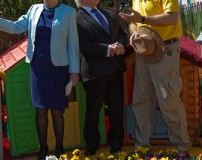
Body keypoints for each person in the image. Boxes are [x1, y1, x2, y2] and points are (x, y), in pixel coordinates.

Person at [0, 0, 80, 159]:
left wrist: (74, 72)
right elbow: (16, 27)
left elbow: (73, 44)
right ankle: (43, 149)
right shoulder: (34, 9)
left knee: (56, 110)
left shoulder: (69, 12)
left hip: (58, 68)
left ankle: (59, 149)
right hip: (38, 68)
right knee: (40, 110)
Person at [118, 0, 192, 154]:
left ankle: (182, 148)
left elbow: (173, 18)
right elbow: (133, 22)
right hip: (143, 51)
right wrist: (134, 32)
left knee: (169, 100)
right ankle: (142, 145)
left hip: (165, 50)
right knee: (141, 100)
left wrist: (142, 20)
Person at [74, 0, 127, 157]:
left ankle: (116, 145)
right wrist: (107, 50)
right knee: (93, 111)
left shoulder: (108, 13)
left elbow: (122, 34)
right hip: (95, 72)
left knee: (116, 110)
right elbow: (82, 44)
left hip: (115, 69)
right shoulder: (77, 18)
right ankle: (92, 145)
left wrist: (120, 45)